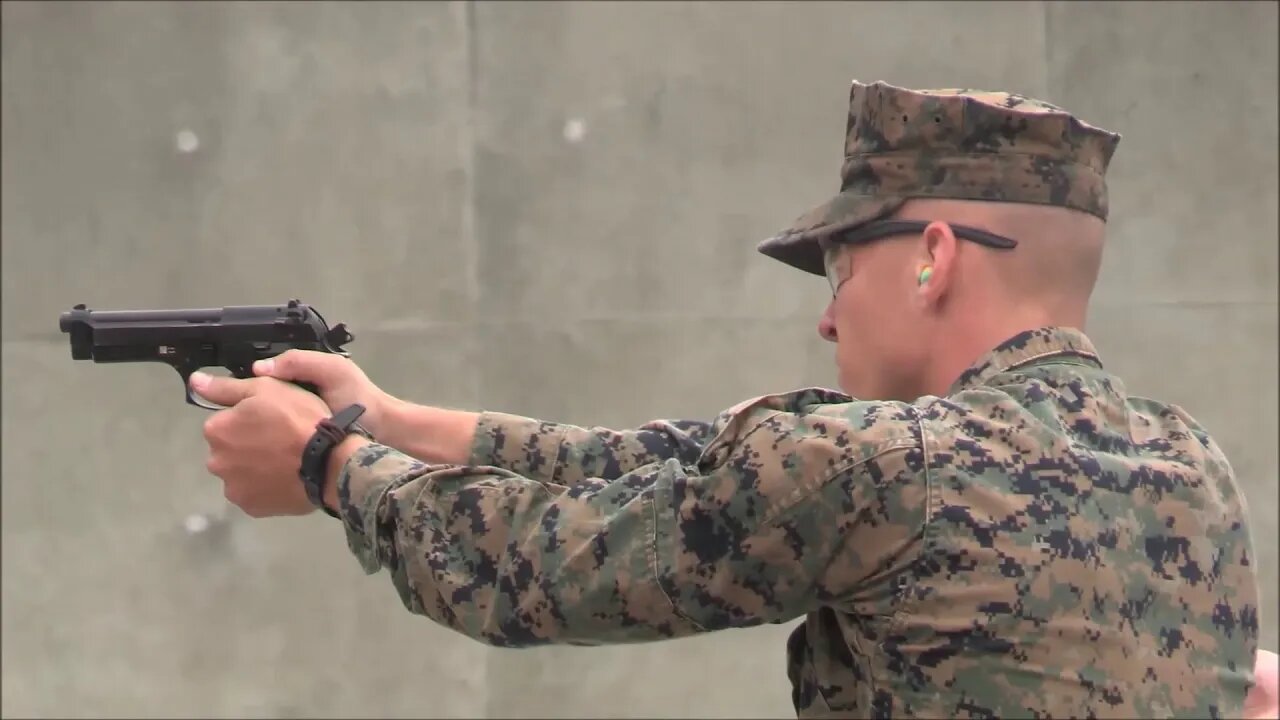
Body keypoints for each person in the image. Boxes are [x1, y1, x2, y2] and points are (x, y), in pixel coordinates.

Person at [194, 81, 1267, 718]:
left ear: (931, 258)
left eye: (840, 268)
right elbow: (680, 464)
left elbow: (534, 570)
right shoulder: (1188, 467)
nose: (828, 317)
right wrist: (394, 422)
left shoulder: (883, 468)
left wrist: (331, 468)